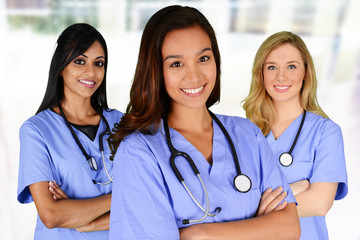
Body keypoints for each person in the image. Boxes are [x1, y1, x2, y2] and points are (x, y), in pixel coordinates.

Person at [108, 6, 300, 240]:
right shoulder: (139, 152)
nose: (194, 76)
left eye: (203, 58)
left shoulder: (247, 134)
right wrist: (258, 227)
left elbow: (289, 228)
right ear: (156, 71)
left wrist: (199, 233)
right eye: (176, 64)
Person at [17, 23, 123, 239]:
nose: (91, 72)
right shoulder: (36, 131)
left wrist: (86, 220)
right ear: (60, 67)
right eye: (79, 61)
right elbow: (51, 215)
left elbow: (146, 204)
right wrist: (120, 197)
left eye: (99, 63)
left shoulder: (120, 122)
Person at [243, 31, 348, 239]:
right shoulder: (245, 133)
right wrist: (296, 188)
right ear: (261, 74)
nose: (281, 76)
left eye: (291, 66)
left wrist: (257, 209)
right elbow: (230, 203)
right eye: (271, 67)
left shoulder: (326, 132)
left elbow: (319, 203)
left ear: (305, 73)